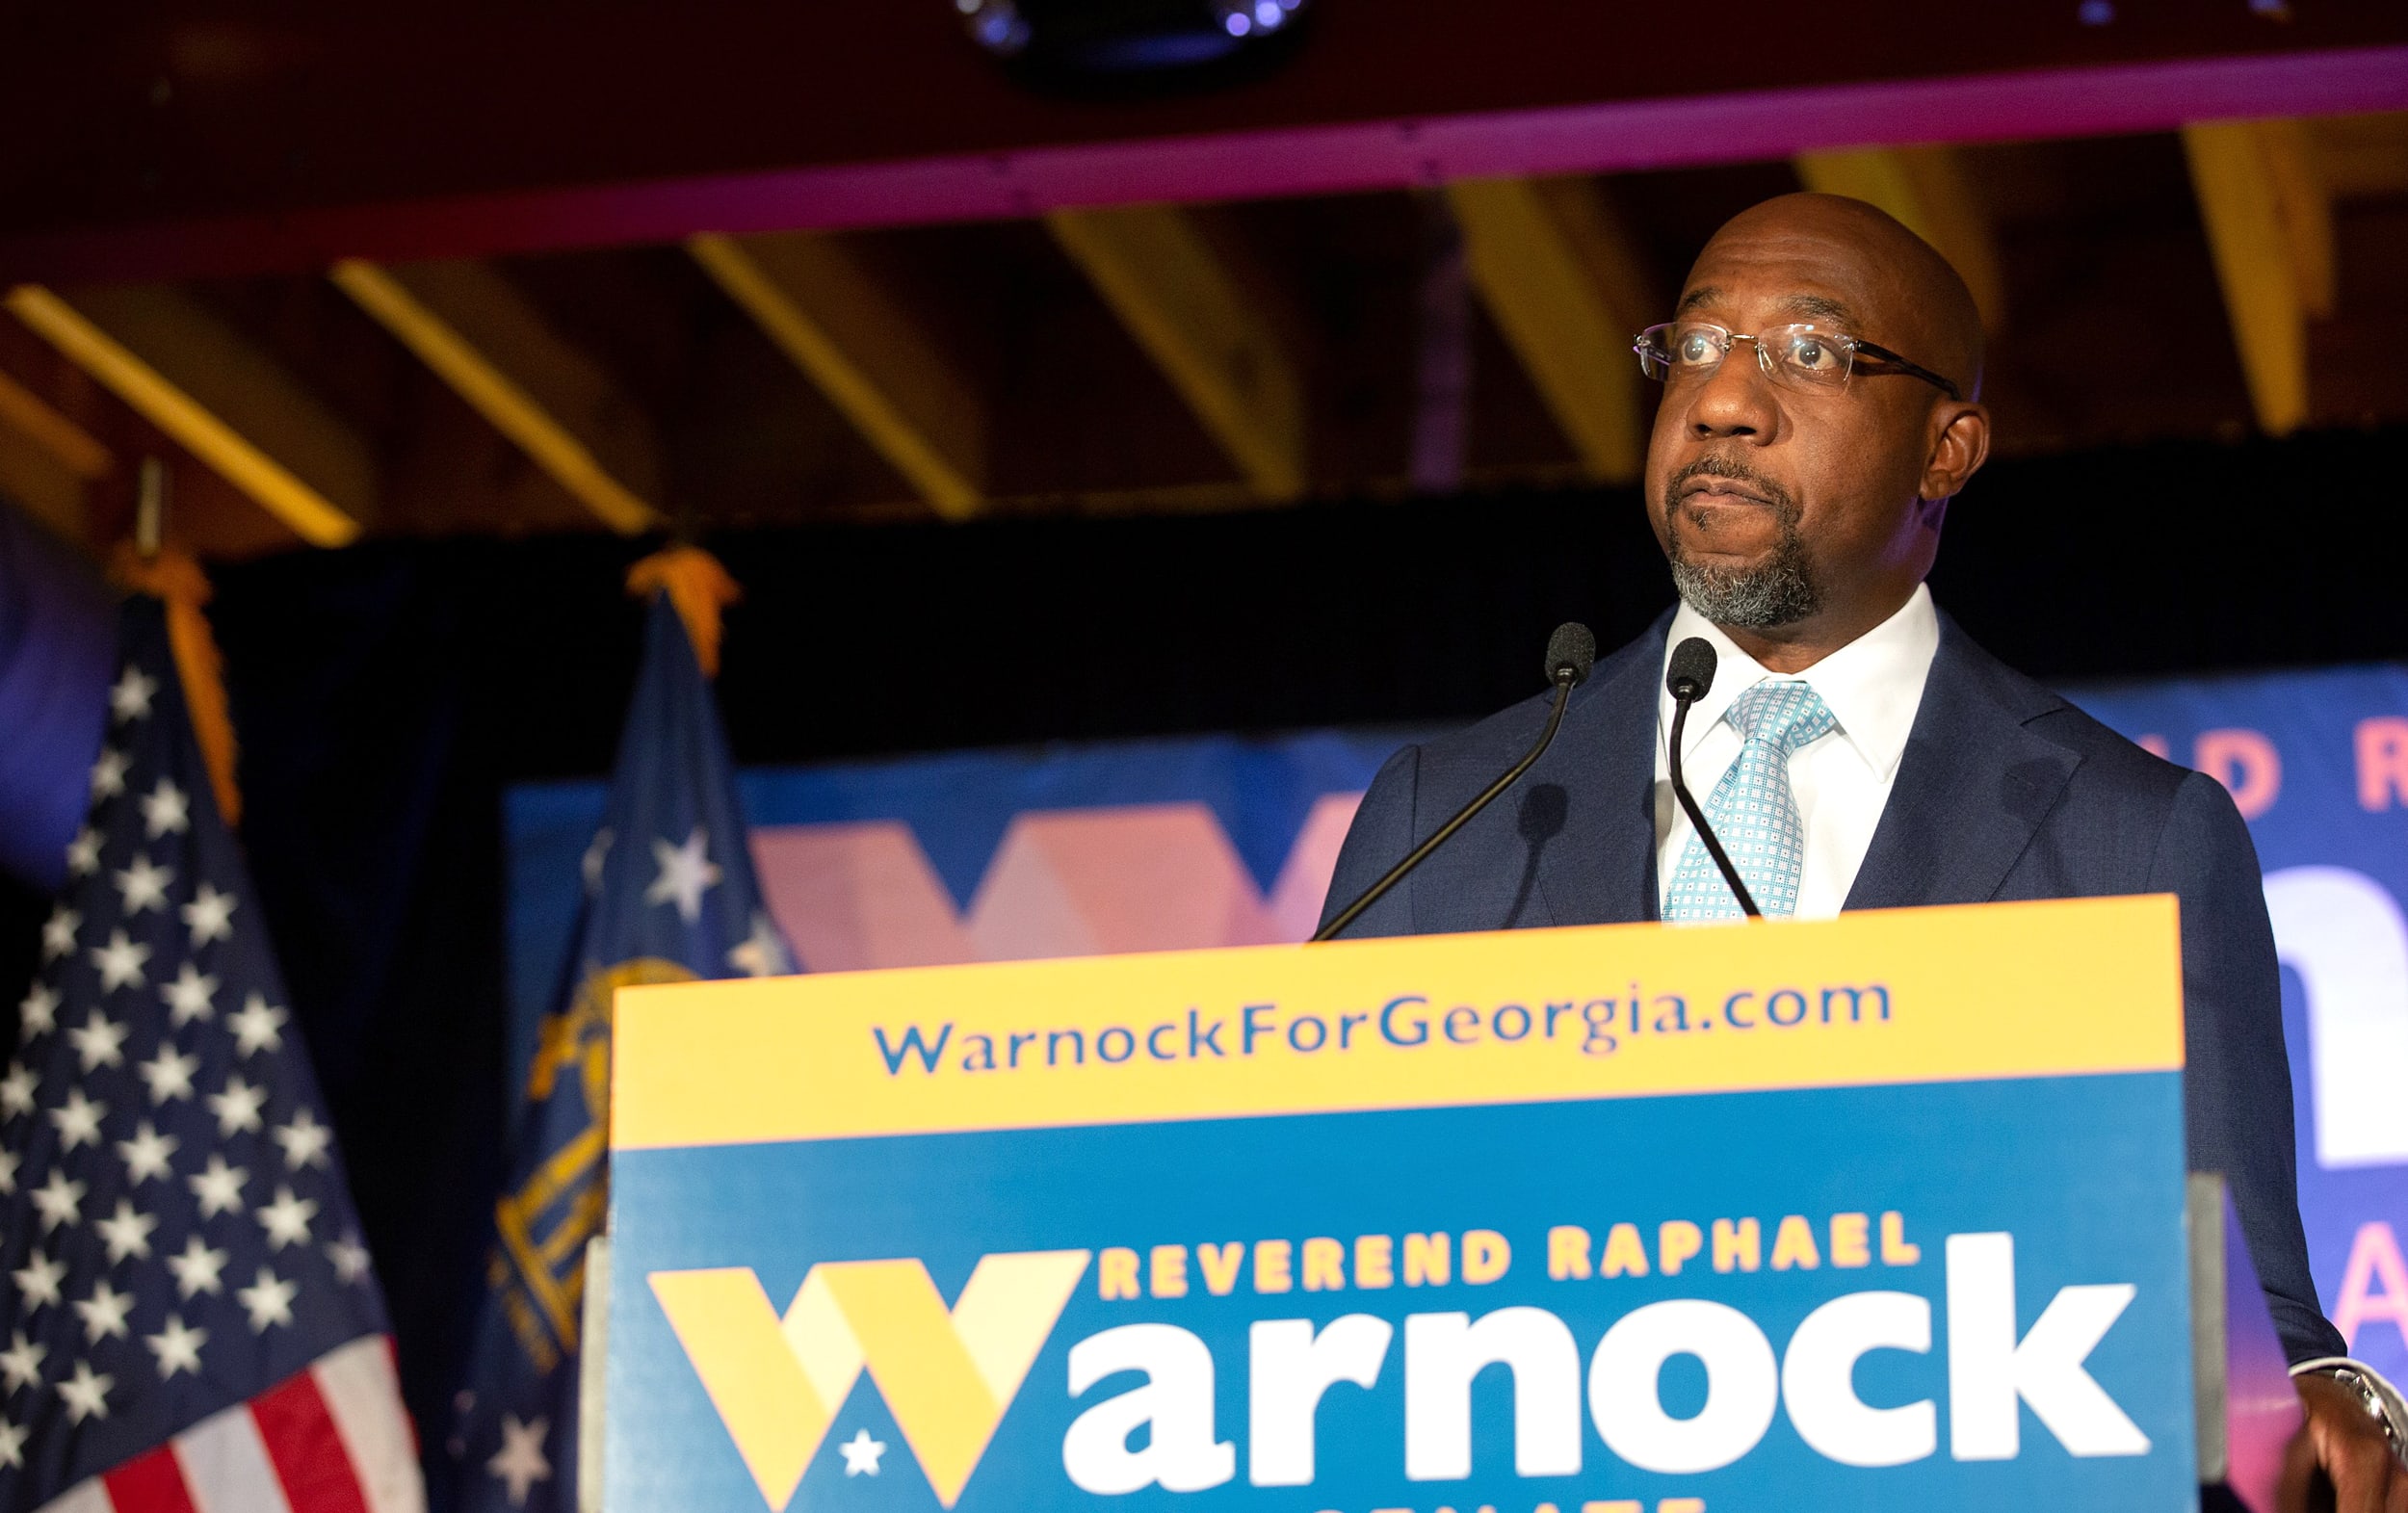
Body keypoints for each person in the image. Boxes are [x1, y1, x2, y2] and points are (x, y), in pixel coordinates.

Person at [1320, 192, 2407, 1507]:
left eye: (1810, 353)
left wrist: (2341, 1390)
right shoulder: (1447, 815)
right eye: (1699, 345)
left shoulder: (2134, 836)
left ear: (1948, 449)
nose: (1725, 399)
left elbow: (2248, 1318)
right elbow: (1321, 1265)